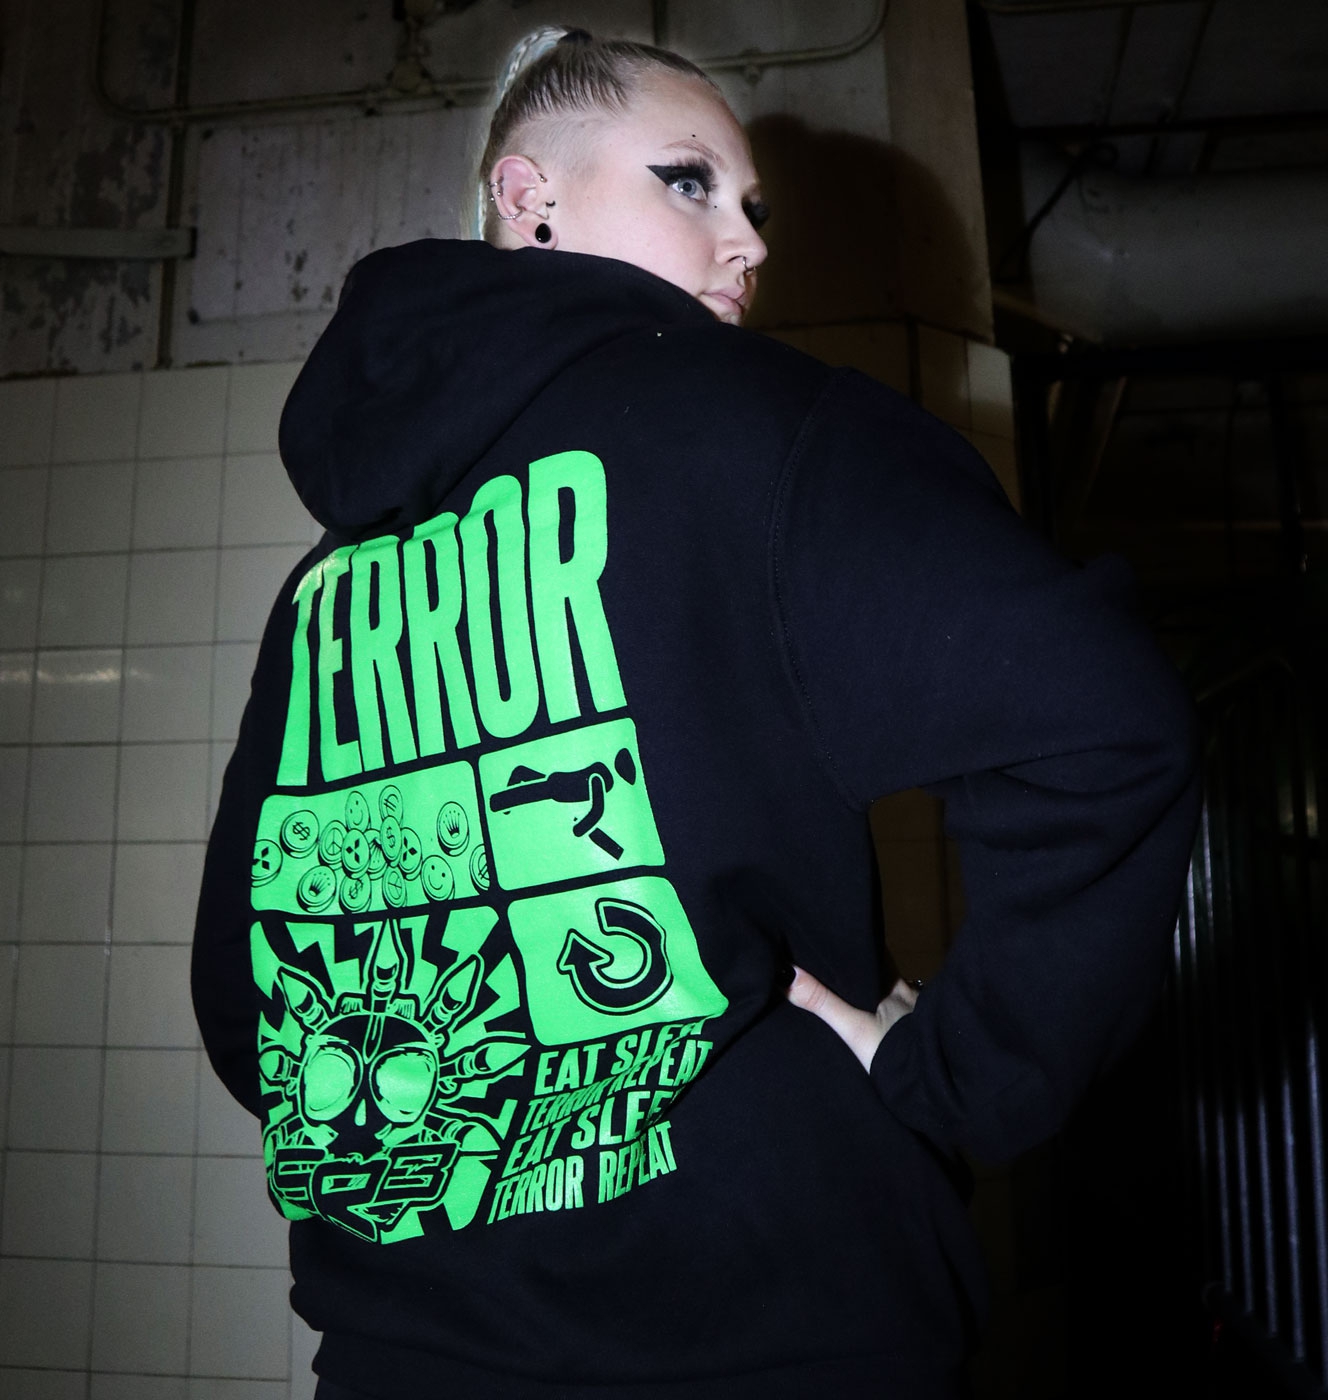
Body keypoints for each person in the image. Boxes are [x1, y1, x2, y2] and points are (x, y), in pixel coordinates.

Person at [191, 26, 1200, 1399]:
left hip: (407, 1345)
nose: (751, 241)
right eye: (689, 181)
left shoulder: (331, 578)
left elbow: (245, 988)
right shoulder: (769, 430)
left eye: (755, 205)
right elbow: (1107, 725)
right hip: (767, 1325)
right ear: (528, 194)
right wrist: (959, 1071)